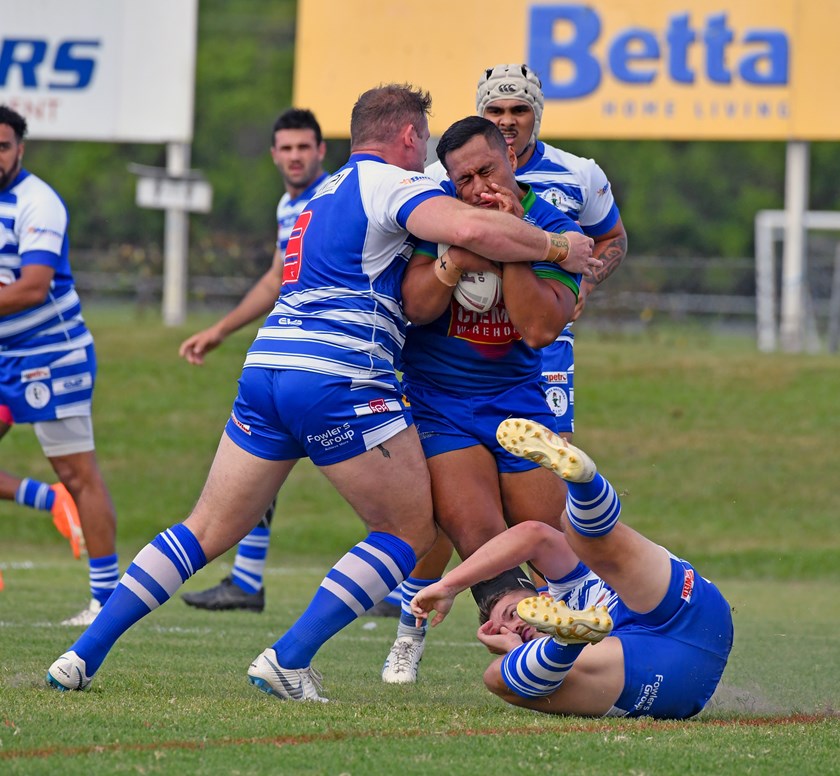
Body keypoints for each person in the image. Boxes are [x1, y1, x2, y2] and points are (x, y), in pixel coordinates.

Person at [46, 83, 600, 701]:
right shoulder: (393, 184)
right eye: (428, 152)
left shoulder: (321, 192)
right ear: (410, 137)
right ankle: (289, 658)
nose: (434, 171)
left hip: (267, 371)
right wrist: (558, 246)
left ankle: (81, 655)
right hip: (338, 376)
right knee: (407, 533)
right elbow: (474, 226)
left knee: (203, 528)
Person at [380, 116, 585, 684]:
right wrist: (457, 258)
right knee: (473, 527)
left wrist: (509, 242)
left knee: (552, 537)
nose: (475, 188)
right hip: (440, 401)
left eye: (485, 171)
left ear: (512, 158)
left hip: (516, 399)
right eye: (462, 178)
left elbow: (541, 329)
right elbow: (418, 308)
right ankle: (428, 631)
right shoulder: (437, 214)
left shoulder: (550, 225)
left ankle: (567, 641)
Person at [411, 417, 733, 719]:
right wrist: (512, 649)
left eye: (513, 613)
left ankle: (583, 479)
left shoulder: (567, 584)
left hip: (686, 607)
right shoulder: (547, 662)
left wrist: (447, 585)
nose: (514, 627)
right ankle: (566, 641)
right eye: (504, 632)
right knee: (497, 677)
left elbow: (532, 534)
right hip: (656, 674)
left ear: (535, 593)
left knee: (573, 531)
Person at [178, 108, 330, 614]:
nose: (294, 156)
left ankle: (403, 590)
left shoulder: (331, 198)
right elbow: (275, 277)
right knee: (264, 455)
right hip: (295, 352)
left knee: (392, 471)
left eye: (303, 147)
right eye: (286, 148)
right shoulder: (290, 206)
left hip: (341, 355)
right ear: (273, 154)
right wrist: (220, 331)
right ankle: (246, 580)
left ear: (320, 151)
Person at [0, 105, 120, 625]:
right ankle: (43, 498)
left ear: (19, 149)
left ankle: (105, 599)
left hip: (52, 355)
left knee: (78, 474)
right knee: (64, 483)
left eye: (2, 146)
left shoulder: (38, 202)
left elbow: (32, 287)